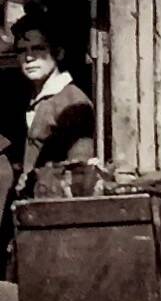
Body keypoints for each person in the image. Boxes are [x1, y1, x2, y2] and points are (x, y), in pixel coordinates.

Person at [0, 11, 94, 206]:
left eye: (38, 49)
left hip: (55, 209)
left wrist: (35, 180)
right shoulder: (33, 99)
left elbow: (78, 173)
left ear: (58, 52)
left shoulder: (72, 104)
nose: (29, 57)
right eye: (22, 51)